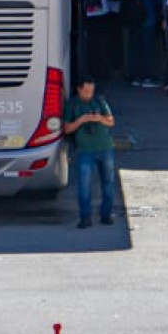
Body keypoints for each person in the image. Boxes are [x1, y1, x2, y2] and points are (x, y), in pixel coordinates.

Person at [63, 76, 118, 229]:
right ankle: (85, 217)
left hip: (105, 147)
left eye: (91, 91)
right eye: (86, 91)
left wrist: (98, 118)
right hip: (85, 150)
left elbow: (111, 121)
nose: (89, 94)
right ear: (79, 89)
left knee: (108, 182)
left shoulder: (99, 101)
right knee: (84, 186)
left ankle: (106, 215)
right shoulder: (72, 105)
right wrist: (82, 120)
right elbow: (67, 128)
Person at [125, 0, 164, 87]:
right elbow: (159, 3)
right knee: (148, 51)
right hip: (148, 22)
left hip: (135, 23)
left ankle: (135, 77)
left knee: (135, 50)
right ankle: (148, 77)